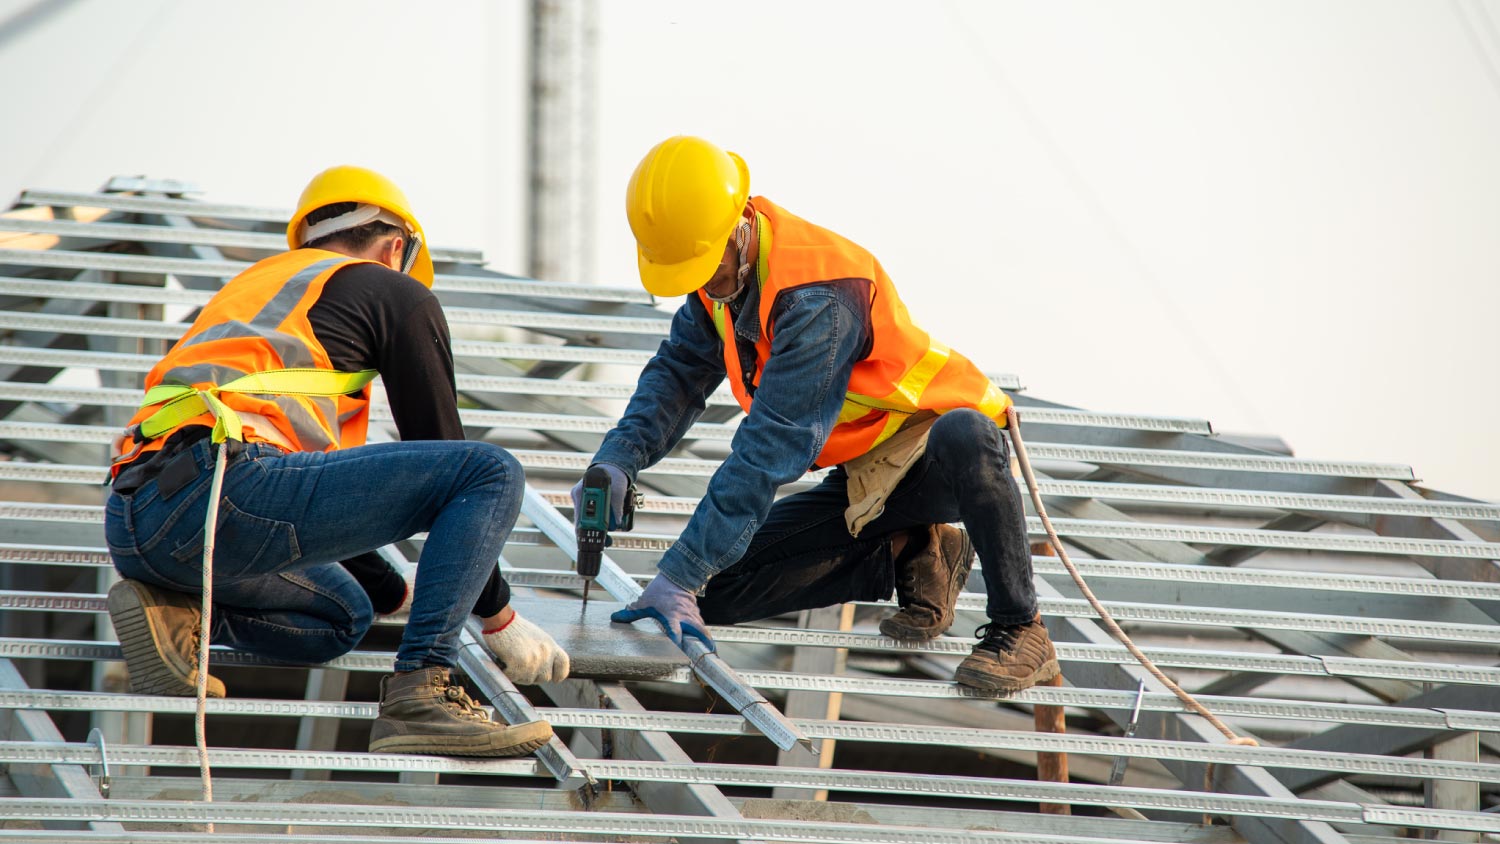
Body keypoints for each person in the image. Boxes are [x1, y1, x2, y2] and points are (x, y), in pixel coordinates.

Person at [104, 166, 567, 757]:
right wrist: (497, 613)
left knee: (347, 613)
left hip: (137, 517)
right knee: (490, 471)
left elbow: (316, 505)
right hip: (229, 490)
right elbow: (443, 445)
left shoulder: (259, 291)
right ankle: (422, 690)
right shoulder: (392, 290)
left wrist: (395, 590)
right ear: (395, 247)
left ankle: (177, 613)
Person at [578, 137, 1059, 692]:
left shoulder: (818, 296)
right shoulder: (715, 276)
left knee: (966, 432)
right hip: (865, 477)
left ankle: (1022, 627)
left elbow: (773, 445)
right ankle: (915, 547)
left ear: (738, 226)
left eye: (705, 269)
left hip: (935, 454)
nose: (701, 285)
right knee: (711, 591)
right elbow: (677, 376)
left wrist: (680, 570)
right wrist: (618, 460)